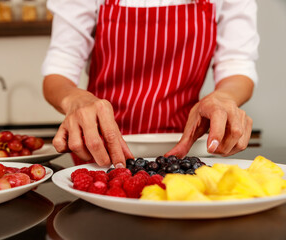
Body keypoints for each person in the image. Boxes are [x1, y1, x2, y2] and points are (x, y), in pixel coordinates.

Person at [42, 0, 259, 168]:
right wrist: (74, 99)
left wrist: (224, 97)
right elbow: (59, 71)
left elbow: (237, 66)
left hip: (184, 151)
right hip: (99, 150)